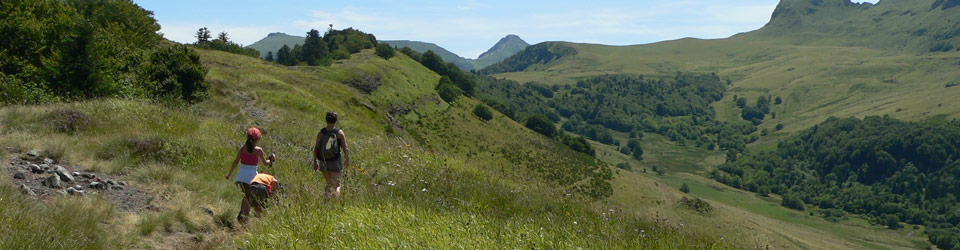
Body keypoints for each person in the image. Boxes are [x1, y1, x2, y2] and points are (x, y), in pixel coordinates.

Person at [225, 127, 275, 223]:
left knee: (247, 195)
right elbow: (265, 163)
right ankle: (245, 217)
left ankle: (243, 214)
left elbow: (236, 161)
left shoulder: (242, 149)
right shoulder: (258, 150)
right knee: (251, 197)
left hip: (241, 175)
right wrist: (271, 160)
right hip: (252, 175)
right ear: (256, 139)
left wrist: (229, 174)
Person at [313, 111, 350, 199]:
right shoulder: (339, 133)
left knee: (329, 183)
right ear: (335, 120)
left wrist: (315, 161)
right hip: (335, 161)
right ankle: (335, 202)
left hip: (323, 161)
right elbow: (345, 148)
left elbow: (316, 148)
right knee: (337, 185)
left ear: (326, 120)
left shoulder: (321, 132)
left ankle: (327, 202)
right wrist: (347, 159)